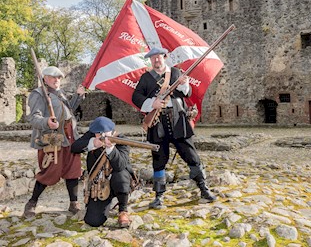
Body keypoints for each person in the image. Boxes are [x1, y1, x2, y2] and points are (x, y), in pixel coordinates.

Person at [132, 47, 216, 209]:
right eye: (153, 58)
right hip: (157, 122)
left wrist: (185, 85)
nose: (156, 60)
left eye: (159, 57)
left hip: (178, 119)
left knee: (191, 156)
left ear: (165, 57)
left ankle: (204, 189)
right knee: (159, 159)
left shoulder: (176, 73)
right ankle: (159, 196)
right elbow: (136, 97)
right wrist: (152, 104)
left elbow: (188, 93)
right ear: (151, 60)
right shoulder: (146, 78)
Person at [23, 66, 86, 218]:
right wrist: (47, 122)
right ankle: (31, 203)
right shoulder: (38, 94)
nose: (56, 80)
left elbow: (68, 110)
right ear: (45, 78)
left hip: (70, 135)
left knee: (73, 169)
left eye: (58, 77)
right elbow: (33, 118)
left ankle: (73, 203)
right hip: (51, 136)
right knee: (50, 170)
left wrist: (78, 96)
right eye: (53, 77)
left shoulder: (60, 93)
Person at [71, 116, 133, 228]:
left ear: (112, 131)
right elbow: (74, 147)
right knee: (93, 221)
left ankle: (123, 210)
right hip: (98, 185)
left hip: (117, 180)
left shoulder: (121, 140)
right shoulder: (91, 136)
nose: (101, 136)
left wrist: (111, 149)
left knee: (121, 175)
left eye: (104, 133)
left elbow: (120, 165)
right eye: (98, 134)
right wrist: (93, 143)